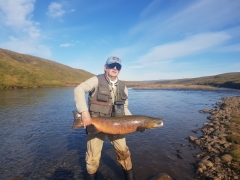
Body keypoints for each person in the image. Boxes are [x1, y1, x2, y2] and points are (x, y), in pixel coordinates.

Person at [74, 56, 135, 180]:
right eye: (111, 65)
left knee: (124, 154)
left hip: (117, 125)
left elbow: (125, 108)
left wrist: (134, 123)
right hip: (96, 124)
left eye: (117, 67)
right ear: (105, 67)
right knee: (92, 159)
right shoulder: (96, 80)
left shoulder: (124, 87)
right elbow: (78, 89)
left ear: (120, 70)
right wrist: (84, 112)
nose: (114, 68)